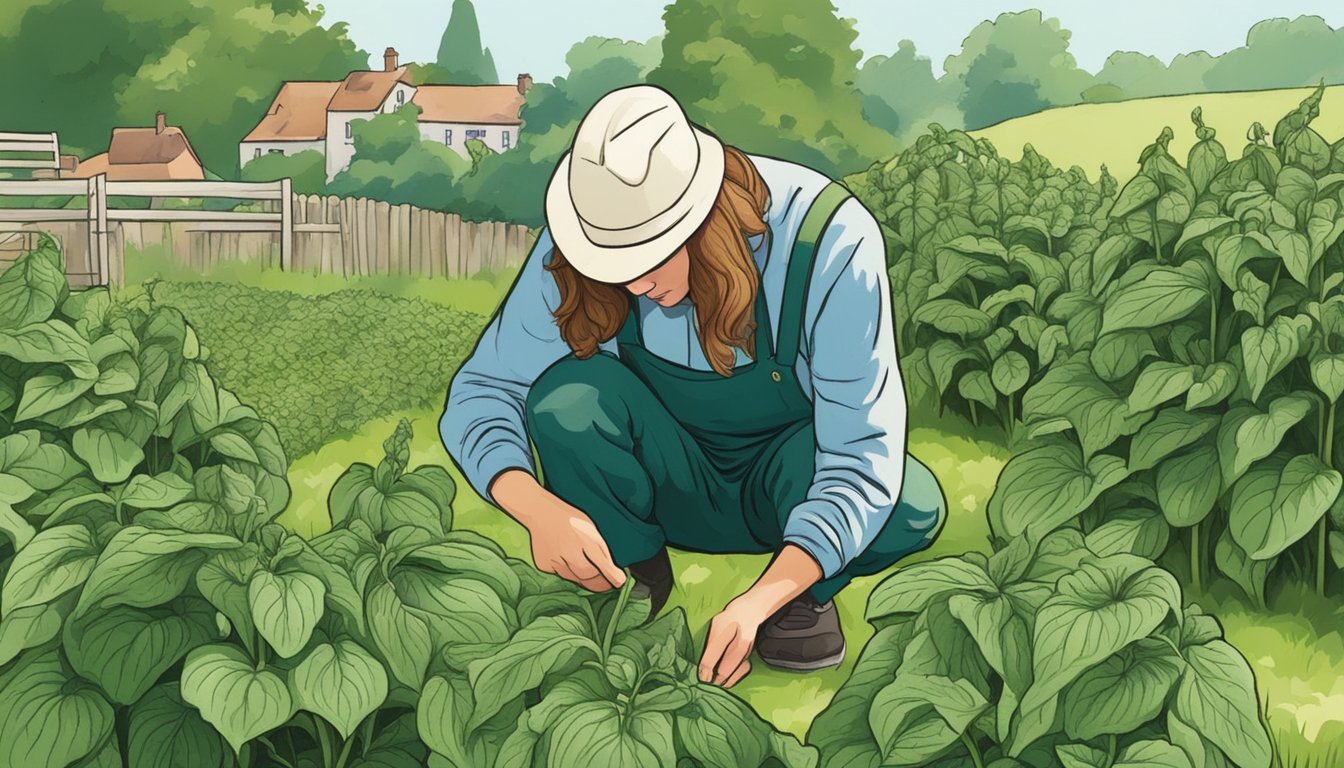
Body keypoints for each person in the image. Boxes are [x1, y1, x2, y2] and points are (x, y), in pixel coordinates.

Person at [439, 84, 946, 688]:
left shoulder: (829, 239)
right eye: (614, 265)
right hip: (662, 473)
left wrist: (757, 601)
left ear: (706, 219)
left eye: (649, 257)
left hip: (784, 480)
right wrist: (535, 507)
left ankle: (799, 593)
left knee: (909, 501)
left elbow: (861, 458)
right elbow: (484, 389)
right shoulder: (588, 229)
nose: (631, 286)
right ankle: (631, 573)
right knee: (569, 398)